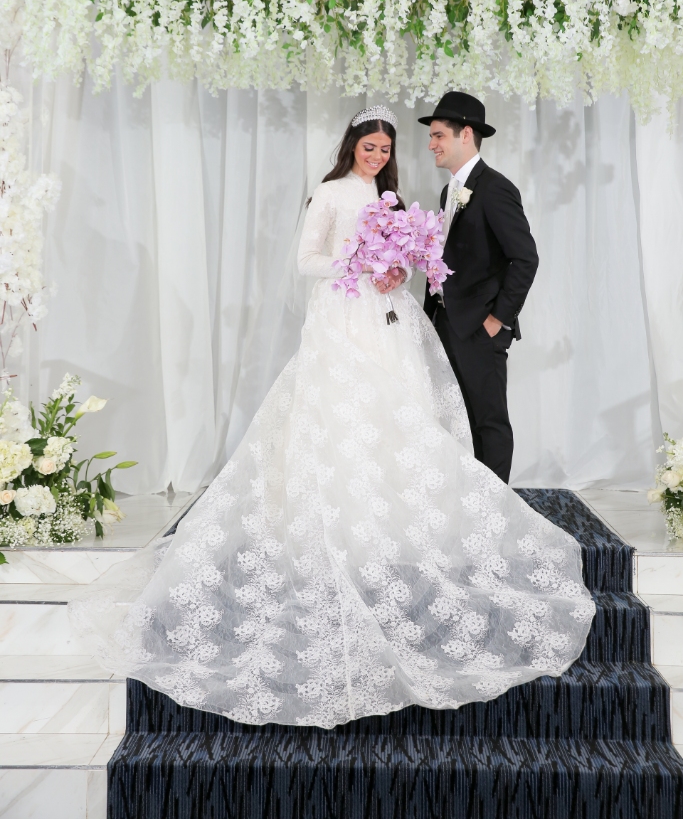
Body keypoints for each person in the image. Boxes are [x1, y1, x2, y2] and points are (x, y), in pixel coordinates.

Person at [70, 106, 593, 730]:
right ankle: (341, 512)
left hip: (387, 318)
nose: (378, 156)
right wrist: (358, 263)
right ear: (352, 146)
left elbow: (435, 259)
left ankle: (397, 514)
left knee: (398, 412)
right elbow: (306, 260)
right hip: (343, 317)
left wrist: (396, 269)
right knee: (343, 410)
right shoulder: (331, 191)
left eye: (385, 149)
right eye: (369, 147)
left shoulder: (392, 195)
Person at [421, 92, 539, 484]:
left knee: (488, 421)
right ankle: (470, 502)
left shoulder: (495, 188)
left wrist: (497, 320)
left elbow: (526, 258)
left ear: (466, 134)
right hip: (447, 324)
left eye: (438, 135)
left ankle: (495, 509)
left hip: (480, 327)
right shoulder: (449, 191)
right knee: (460, 419)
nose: (431, 144)